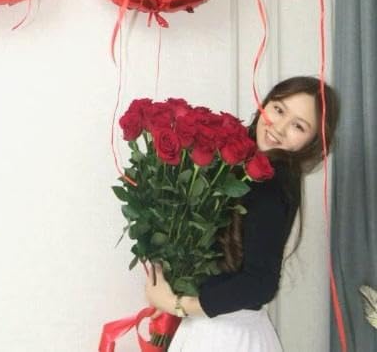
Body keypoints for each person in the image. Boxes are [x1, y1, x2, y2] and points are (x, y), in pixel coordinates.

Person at [145, 76, 339, 351]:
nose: (279, 127)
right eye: (279, 110)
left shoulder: (271, 182)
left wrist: (177, 305)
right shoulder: (248, 167)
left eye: (298, 126)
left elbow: (260, 283)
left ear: (312, 142)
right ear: (265, 104)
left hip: (226, 336)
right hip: (219, 330)